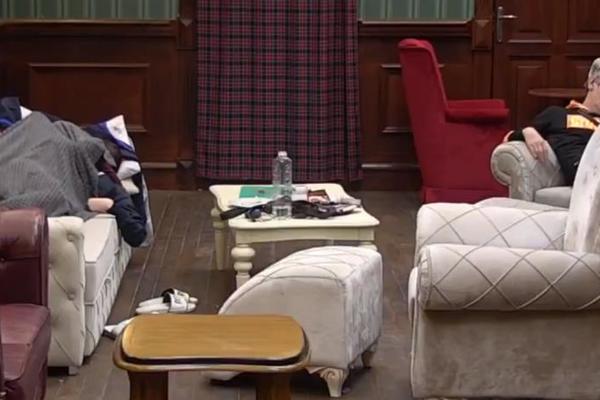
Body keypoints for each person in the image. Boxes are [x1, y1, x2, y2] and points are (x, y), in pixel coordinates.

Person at [505, 58, 600, 185]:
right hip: (588, 177)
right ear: (592, 83)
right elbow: (507, 139)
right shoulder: (557, 114)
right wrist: (527, 132)